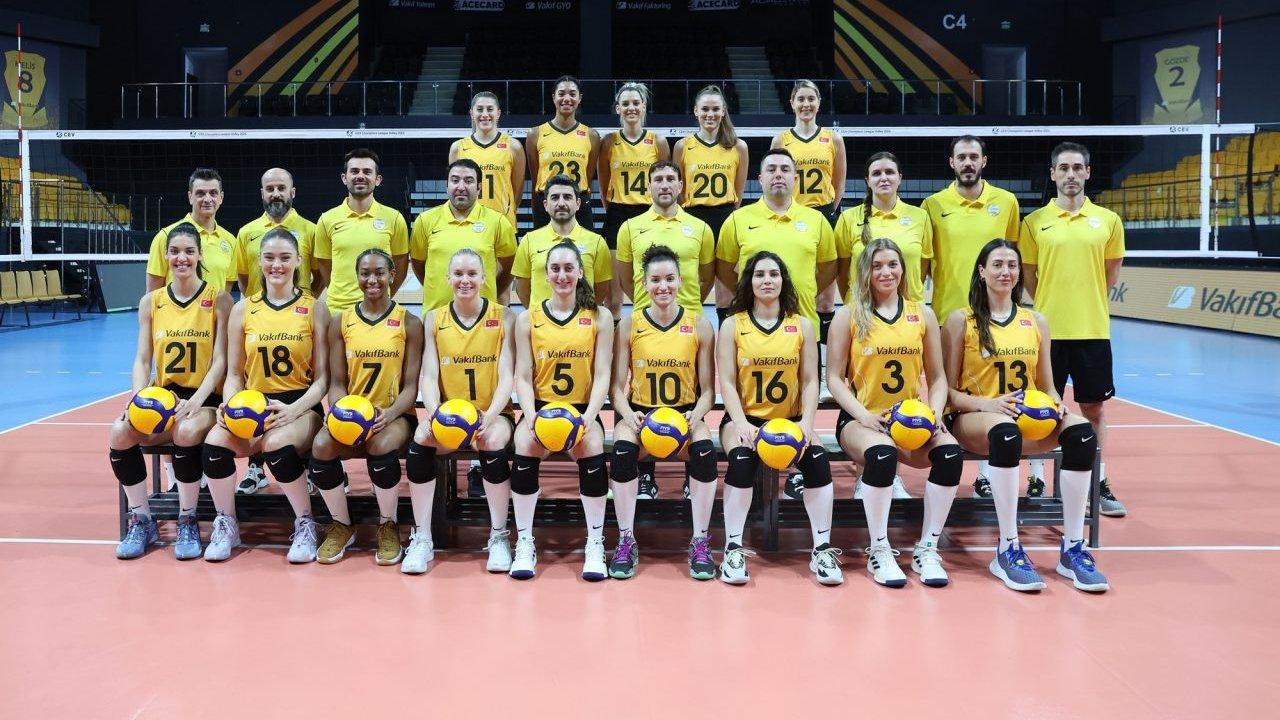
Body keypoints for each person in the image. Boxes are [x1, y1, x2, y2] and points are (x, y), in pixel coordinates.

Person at [942, 239, 1108, 593]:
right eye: (998, 264)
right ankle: (1008, 547)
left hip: (1027, 417)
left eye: (1012, 265)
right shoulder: (961, 321)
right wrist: (986, 404)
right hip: (974, 417)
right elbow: (947, 392)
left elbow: (1047, 386)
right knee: (1005, 433)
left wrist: (1056, 404)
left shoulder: (1035, 321)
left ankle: (1073, 548)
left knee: (1081, 433)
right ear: (982, 271)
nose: (1006, 271)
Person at [826, 239, 963, 587]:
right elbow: (834, 378)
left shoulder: (922, 314)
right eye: (877, 266)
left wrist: (934, 414)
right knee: (882, 455)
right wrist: (864, 416)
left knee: (950, 453)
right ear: (866, 272)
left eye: (892, 264)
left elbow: (937, 377)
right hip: (862, 419)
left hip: (911, 420)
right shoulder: (848, 315)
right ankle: (880, 548)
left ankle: (928, 548)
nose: (885, 272)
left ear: (903, 269)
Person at [200, 228, 330, 563]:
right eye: (269, 258)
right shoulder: (243, 309)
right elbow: (233, 374)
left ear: (298, 261)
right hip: (254, 405)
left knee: (276, 444)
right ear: (259, 261)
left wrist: (293, 410)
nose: (277, 265)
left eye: (285, 258)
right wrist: (229, 404)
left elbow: (323, 380)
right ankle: (226, 522)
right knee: (214, 443)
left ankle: (306, 522)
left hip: (300, 405)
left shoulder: (314, 308)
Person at [716, 148, 836, 501]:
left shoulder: (816, 221)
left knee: (798, 403)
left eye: (785, 168)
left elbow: (828, 269)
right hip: (754, 329)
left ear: (796, 178)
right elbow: (724, 269)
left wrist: (796, 301)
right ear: (760, 178)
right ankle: (752, 472)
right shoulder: (738, 220)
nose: (778, 174)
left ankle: (797, 472)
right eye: (771, 169)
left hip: (800, 329)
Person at [715, 251, 838, 586]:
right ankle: (733, 548)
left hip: (791, 420)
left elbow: (811, 380)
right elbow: (727, 382)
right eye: (759, 274)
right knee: (741, 461)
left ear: (783, 281)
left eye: (773, 274)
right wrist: (741, 424)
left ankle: (822, 548)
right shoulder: (733, 325)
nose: (767, 280)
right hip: (746, 418)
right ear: (749, 281)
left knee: (818, 461)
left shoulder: (802, 325)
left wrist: (807, 424)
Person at [111, 223, 231, 560]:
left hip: (205, 397)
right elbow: (142, 359)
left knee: (186, 430)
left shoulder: (219, 299)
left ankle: (187, 518)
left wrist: (195, 401)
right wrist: (138, 399)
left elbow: (221, 361)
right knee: (120, 432)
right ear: (165, 256)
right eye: (175, 252)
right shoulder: (151, 302)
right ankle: (142, 519)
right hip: (163, 397)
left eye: (189, 251)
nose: (182, 258)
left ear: (200, 256)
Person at [1020, 141, 1127, 517]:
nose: (1070, 174)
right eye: (1063, 168)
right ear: (1053, 174)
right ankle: (1036, 478)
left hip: (1092, 330)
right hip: (1046, 332)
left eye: (1077, 167)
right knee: (1039, 408)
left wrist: (1084, 301)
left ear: (1088, 173)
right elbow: (1029, 276)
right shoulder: (1034, 222)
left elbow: (1110, 273)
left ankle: (1098, 481)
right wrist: (1050, 307)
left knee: (1093, 409)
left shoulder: (1108, 221)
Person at [308, 249, 424, 569]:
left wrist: (389, 414)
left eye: (379, 273)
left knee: (380, 446)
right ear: (357, 276)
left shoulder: (409, 323)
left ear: (392, 276)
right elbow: (336, 381)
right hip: (353, 413)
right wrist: (338, 412)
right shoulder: (340, 322)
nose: (372, 280)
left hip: (394, 414)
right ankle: (342, 524)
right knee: (321, 445)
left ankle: (388, 523)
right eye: (365, 273)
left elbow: (411, 387)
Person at [920, 136, 1022, 499]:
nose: (967, 162)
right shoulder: (933, 205)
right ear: (951, 162)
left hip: (992, 315)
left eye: (973, 156)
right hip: (947, 315)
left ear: (984, 161)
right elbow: (924, 264)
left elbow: (1010, 257)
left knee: (990, 389)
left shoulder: (1006, 202)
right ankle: (946, 465)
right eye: (961, 157)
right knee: (947, 391)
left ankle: (986, 473)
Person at [609, 245, 717, 580]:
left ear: (681, 280)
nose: (663, 286)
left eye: (670, 278)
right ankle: (625, 539)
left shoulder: (699, 325)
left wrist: (695, 416)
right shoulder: (629, 325)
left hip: (684, 415)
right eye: (655, 280)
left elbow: (709, 391)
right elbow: (616, 388)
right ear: (644, 283)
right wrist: (628, 414)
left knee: (705, 451)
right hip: (641, 415)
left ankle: (700, 540)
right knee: (622, 451)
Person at [509, 240, 614, 580]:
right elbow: (523, 375)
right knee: (524, 444)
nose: (562, 275)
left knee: (593, 445)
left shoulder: (600, 316)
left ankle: (595, 542)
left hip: (581, 410)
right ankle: (524, 541)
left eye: (569, 268)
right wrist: (530, 415)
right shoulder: (528, 318)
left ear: (581, 272)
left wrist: (589, 416)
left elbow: (602, 374)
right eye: (555, 268)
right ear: (546, 274)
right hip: (541, 409)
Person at [411, 248, 518, 573]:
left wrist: (490, 415)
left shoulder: (504, 317)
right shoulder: (435, 319)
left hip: (493, 413)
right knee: (421, 440)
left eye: (472, 274)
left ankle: (498, 535)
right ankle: (423, 536)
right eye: (458, 274)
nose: (465, 280)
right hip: (450, 415)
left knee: (491, 441)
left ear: (484, 278)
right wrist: (435, 414)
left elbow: (507, 376)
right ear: (448, 278)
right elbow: (429, 376)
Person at [614, 160, 716, 500]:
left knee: (690, 394)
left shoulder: (700, 228)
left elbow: (706, 275)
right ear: (649, 186)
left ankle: (691, 476)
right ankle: (645, 475)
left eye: (671, 178)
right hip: (645, 324)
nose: (665, 184)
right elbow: (625, 278)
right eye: (658, 179)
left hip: (689, 324)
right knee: (643, 390)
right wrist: (647, 304)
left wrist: (686, 307)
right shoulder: (630, 227)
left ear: (681, 185)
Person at [233, 167, 321, 497]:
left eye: (281, 187)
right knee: (255, 385)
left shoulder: (310, 230)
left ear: (292, 191)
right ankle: (255, 469)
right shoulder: (247, 233)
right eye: (269, 188)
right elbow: (245, 279)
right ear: (262, 193)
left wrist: (301, 302)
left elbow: (319, 274)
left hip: (298, 319)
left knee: (304, 379)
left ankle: (309, 467)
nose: (276, 193)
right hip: (259, 320)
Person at [773, 79, 847, 342]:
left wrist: (828, 211)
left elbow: (839, 182)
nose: (806, 104)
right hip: (790, 216)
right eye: (801, 99)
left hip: (823, 213)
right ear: (792, 103)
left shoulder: (832, 138)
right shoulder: (781, 139)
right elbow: (774, 178)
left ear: (819, 102)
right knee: (790, 284)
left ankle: (824, 355)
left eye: (811, 99)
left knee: (825, 298)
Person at [673, 85, 748, 322]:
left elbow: (738, 192)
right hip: (692, 218)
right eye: (705, 109)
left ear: (723, 111)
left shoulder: (738, 146)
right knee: (693, 282)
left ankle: (727, 335)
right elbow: (679, 189)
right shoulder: (683, 146)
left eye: (715, 109)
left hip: (725, 217)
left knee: (726, 289)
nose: (710, 114)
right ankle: (688, 328)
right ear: (696, 111)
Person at [598, 82, 669, 314]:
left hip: (649, 215)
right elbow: (604, 183)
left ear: (644, 106)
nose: (631, 108)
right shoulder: (609, 142)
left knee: (650, 288)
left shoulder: (657, 142)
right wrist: (614, 208)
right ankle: (615, 335)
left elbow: (665, 182)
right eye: (626, 103)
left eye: (636, 103)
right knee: (613, 298)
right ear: (618, 108)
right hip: (617, 214)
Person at [410, 158, 516, 311]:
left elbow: (509, 268)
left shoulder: (498, 222)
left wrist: (489, 291)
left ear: (479, 188)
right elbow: (419, 265)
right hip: (436, 316)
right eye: (455, 180)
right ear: (447, 186)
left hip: (482, 316)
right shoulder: (424, 221)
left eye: (468, 181)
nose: (461, 187)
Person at [313, 148, 410, 315]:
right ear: (344, 178)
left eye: (367, 171)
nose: (360, 176)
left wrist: (381, 295)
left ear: (377, 179)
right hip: (338, 310)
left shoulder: (394, 218)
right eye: (354, 171)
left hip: (379, 310)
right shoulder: (326, 219)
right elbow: (325, 266)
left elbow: (400, 267)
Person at [835, 152, 932, 304]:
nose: (883, 178)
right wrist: (855, 302)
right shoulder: (848, 218)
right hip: (863, 309)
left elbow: (922, 268)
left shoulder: (920, 216)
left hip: (910, 309)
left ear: (900, 178)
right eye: (876, 173)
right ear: (868, 181)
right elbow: (841, 273)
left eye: (889, 172)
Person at [511, 174, 613, 309]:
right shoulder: (529, 241)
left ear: (578, 204)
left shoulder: (597, 243)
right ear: (545, 205)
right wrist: (540, 314)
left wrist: (585, 313)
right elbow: (522, 289)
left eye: (567, 197)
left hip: (582, 321)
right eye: (555, 197)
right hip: (540, 321)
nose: (561, 203)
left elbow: (601, 290)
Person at [145, 168, 237, 293]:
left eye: (213, 193)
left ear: (221, 197)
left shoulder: (231, 241)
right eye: (200, 193)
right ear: (190, 197)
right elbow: (152, 295)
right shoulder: (166, 236)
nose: (207, 199)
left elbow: (225, 293)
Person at [526, 76, 600, 230]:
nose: (567, 99)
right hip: (547, 202)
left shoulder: (591, 135)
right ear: (554, 97)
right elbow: (535, 178)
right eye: (561, 94)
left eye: (572, 94)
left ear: (579, 98)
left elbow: (588, 175)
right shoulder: (535, 134)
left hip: (579, 202)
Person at [449, 91, 526, 230]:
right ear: (472, 114)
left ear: (498, 113)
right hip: (469, 224)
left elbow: (517, 192)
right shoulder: (458, 148)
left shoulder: (514, 146)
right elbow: (455, 190)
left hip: (503, 224)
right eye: (479, 109)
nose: (485, 114)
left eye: (490, 109)